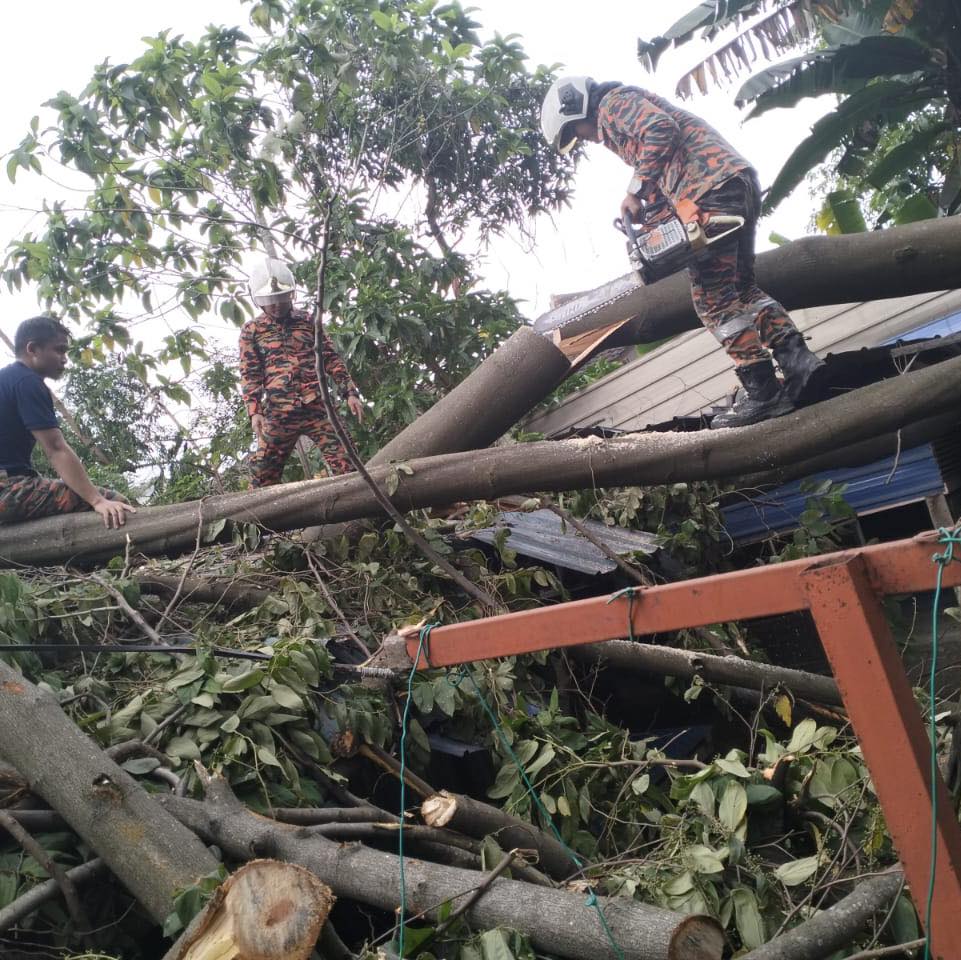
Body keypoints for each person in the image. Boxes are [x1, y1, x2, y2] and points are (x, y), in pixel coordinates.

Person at [540, 77, 824, 428]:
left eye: (577, 130)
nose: (585, 137)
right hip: (733, 183)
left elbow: (662, 130)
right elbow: (665, 167)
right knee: (742, 290)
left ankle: (764, 393)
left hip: (709, 190)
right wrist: (651, 213)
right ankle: (801, 366)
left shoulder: (613, 104)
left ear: (577, 105)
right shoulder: (623, 113)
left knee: (713, 300)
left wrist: (635, 189)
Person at [239, 258, 365, 487]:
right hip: (279, 412)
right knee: (261, 478)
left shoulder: (307, 321)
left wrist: (350, 392)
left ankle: (363, 517)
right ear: (259, 301)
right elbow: (250, 372)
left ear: (290, 295)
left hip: (318, 407)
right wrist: (254, 410)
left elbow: (330, 357)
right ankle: (262, 522)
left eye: (280, 299)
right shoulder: (252, 331)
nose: (276, 305)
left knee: (349, 466)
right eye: (270, 301)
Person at [0, 316, 135, 527]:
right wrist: (97, 500)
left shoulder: (6, 379)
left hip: (9, 487)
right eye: (59, 350)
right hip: (6, 490)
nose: (64, 359)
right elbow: (55, 449)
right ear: (33, 349)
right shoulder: (26, 381)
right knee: (115, 502)